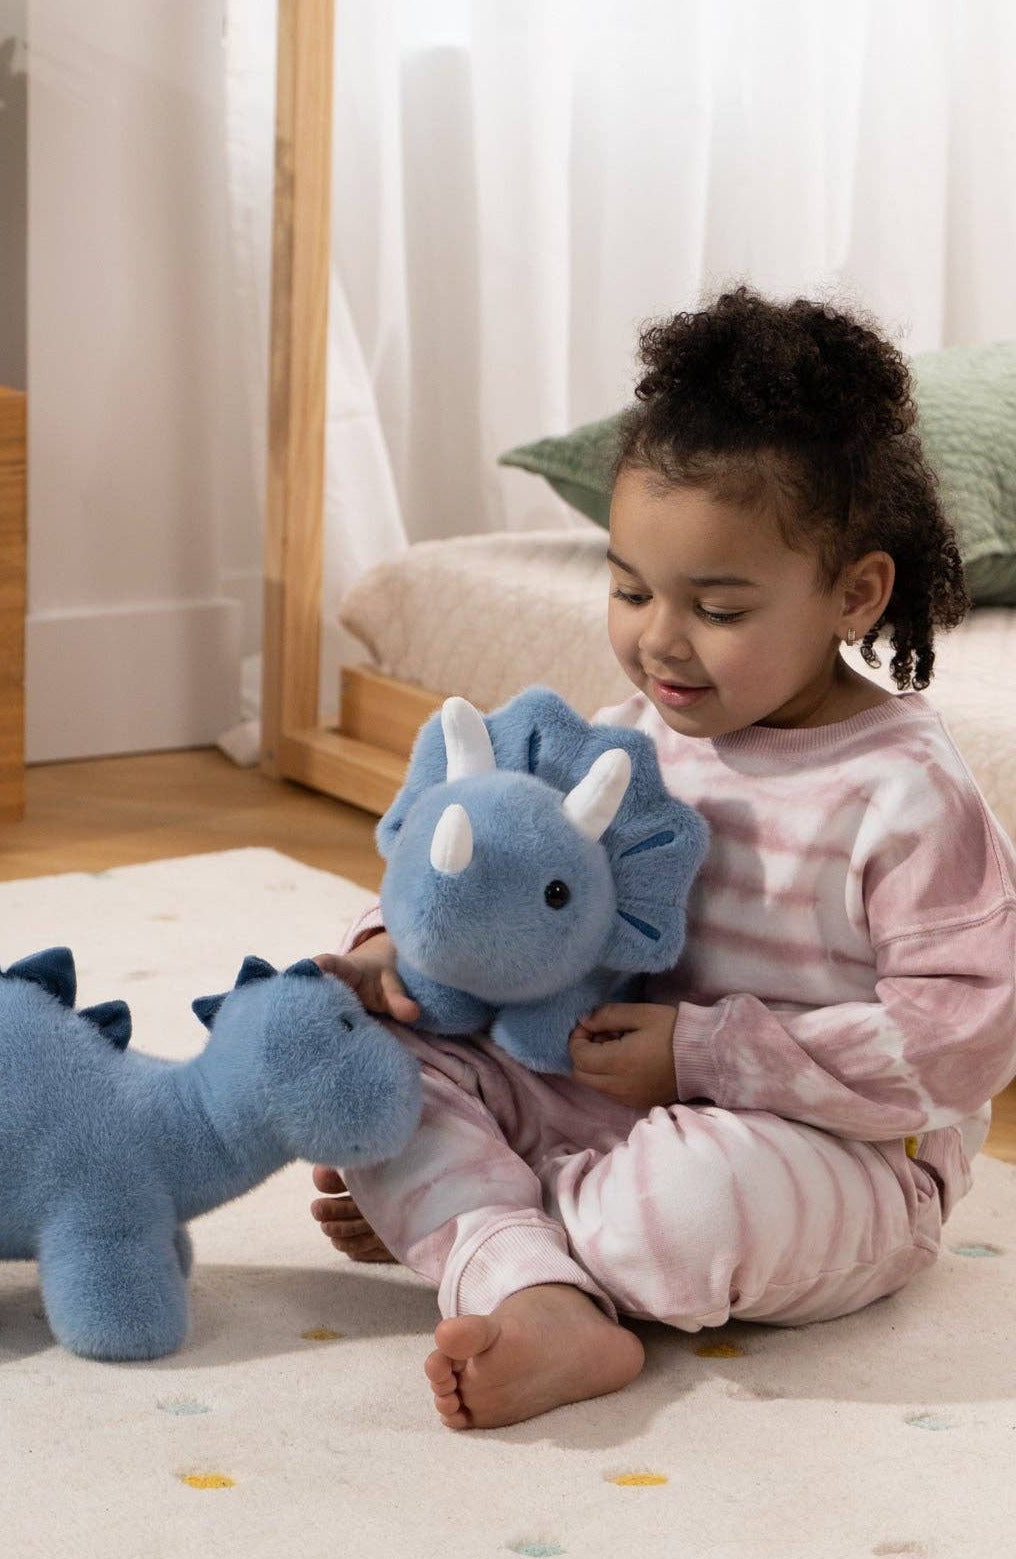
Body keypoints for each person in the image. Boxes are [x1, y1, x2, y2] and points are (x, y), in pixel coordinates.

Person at [311, 284, 1016, 1431]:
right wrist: (394, 953)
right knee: (366, 1064)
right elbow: (486, 879)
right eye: (629, 588)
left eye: (718, 607)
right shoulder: (625, 743)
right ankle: (534, 1287)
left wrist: (707, 1052)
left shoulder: (904, 793)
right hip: (599, 1096)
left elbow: (959, 1043)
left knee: (680, 1204)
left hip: (835, 1159)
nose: (656, 639)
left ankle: (487, 1235)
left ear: (854, 593)